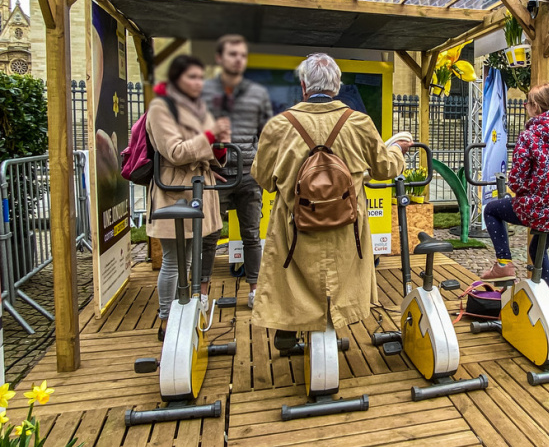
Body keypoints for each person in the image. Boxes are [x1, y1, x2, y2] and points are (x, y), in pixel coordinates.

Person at [251, 53, 409, 349]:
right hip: (346, 226)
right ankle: (336, 320)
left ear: (303, 86)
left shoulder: (279, 126)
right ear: (337, 86)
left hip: (295, 226)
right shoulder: (359, 122)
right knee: (339, 274)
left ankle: (291, 322)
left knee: (292, 274)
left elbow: (263, 178)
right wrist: (398, 149)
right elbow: (385, 169)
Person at [145, 55, 230, 340]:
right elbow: (175, 152)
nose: (198, 83)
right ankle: (166, 321)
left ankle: (185, 313)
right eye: (191, 77)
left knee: (191, 259)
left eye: (200, 77)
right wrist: (210, 135)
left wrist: (220, 145)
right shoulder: (161, 108)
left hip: (198, 188)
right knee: (173, 260)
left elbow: (209, 150)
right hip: (174, 193)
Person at [479, 83, 549, 292]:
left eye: (527, 102)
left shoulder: (530, 136)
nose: (525, 106)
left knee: (492, 210)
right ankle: (548, 301)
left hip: (535, 208)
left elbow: (516, 181)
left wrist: (530, 190)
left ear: (536, 106)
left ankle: (503, 263)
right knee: (538, 250)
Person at [200, 35, 273, 309]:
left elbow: (267, 134)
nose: (238, 59)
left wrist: (259, 167)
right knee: (209, 236)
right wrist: (208, 165)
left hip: (248, 176)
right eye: (232, 54)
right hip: (216, 176)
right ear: (219, 58)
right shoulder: (204, 93)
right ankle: (202, 294)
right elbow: (195, 134)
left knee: (251, 235)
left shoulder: (258, 94)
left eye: (242, 55)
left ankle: (255, 291)